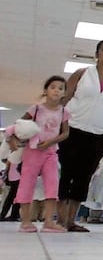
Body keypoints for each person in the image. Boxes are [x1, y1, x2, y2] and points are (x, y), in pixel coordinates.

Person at [58, 39, 103, 232]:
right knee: (67, 173)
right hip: (73, 128)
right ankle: (60, 219)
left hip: (101, 133)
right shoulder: (82, 73)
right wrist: (56, 122)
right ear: (97, 54)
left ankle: (71, 220)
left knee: (84, 175)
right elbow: (65, 98)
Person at [5, 75, 70, 233]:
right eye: (53, 87)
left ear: (64, 93)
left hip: (51, 152)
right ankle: (25, 221)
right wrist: (11, 138)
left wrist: (50, 142)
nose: (56, 90)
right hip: (32, 151)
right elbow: (18, 124)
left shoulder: (64, 111)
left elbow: (65, 133)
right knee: (27, 183)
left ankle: (48, 221)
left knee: (52, 184)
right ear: (46, 91)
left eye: (60, 88)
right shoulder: (36, 109)